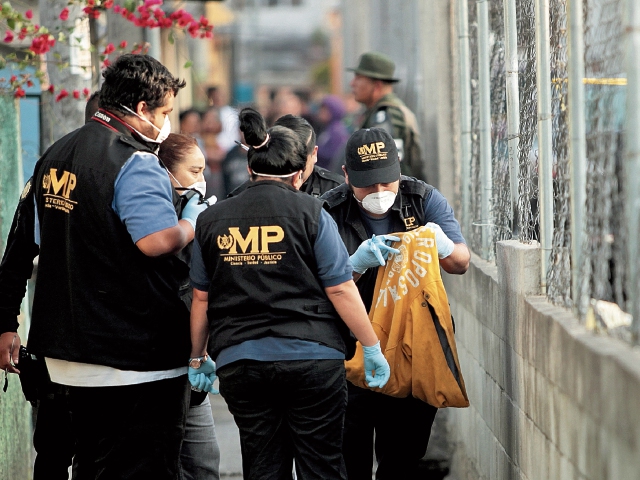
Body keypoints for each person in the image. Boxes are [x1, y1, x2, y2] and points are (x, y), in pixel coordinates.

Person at [0, 54, 209, 479]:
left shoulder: (55, 156)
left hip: (64, 358)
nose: (166, 122)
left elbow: (22, 246)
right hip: (135, 362)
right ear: (142, 108)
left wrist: (6, 321)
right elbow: (154, 243)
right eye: (165, 112)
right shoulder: (136, 162)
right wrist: (192, 220)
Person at [187, 108, 391, 480]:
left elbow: (201, 298)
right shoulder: (312, 213)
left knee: (264, 465)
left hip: (241, 362)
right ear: (299, 175)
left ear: (250, 169)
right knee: (321, 466)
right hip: (313, 361)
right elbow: (342, 287)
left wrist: (198, 358)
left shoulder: (211, 220)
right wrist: (372, 346)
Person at [320, 127, 470, 480]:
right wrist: (353, 266)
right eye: (367, 185)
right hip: (349, 346)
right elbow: (316, 286)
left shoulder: (422, 200)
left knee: (404, 452)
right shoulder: (328, 211)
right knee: (348, 452)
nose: (378, 192)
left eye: (386, 183)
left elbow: (460, 263)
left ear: (398, 169)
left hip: (413, 343)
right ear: (346, 175)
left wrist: (443, 245)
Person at [158, 133, 220, 480]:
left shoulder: (202, 217)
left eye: (203, 171)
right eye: (194, 171)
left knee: (204, 464)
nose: (201, 181)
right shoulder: (150, 220)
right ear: (165, 171)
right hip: (155, 369)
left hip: (192, 370)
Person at [349, 51, 425, 181]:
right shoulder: (376, 111)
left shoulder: (386, 114)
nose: (352, 83)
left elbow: (387, 169)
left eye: (359, 78)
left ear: (377, 86)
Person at [228, 113, 344, 199]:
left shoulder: (337, 190)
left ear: (314, 153)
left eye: (300, 160)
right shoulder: (244, 195)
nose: (293, 168)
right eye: (285, 158)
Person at [316, 95, 349, 173]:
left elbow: (336, 155)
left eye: (324, 110)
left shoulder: (337, 130)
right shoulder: (328, 128)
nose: (320, 112)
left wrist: (314, 151)